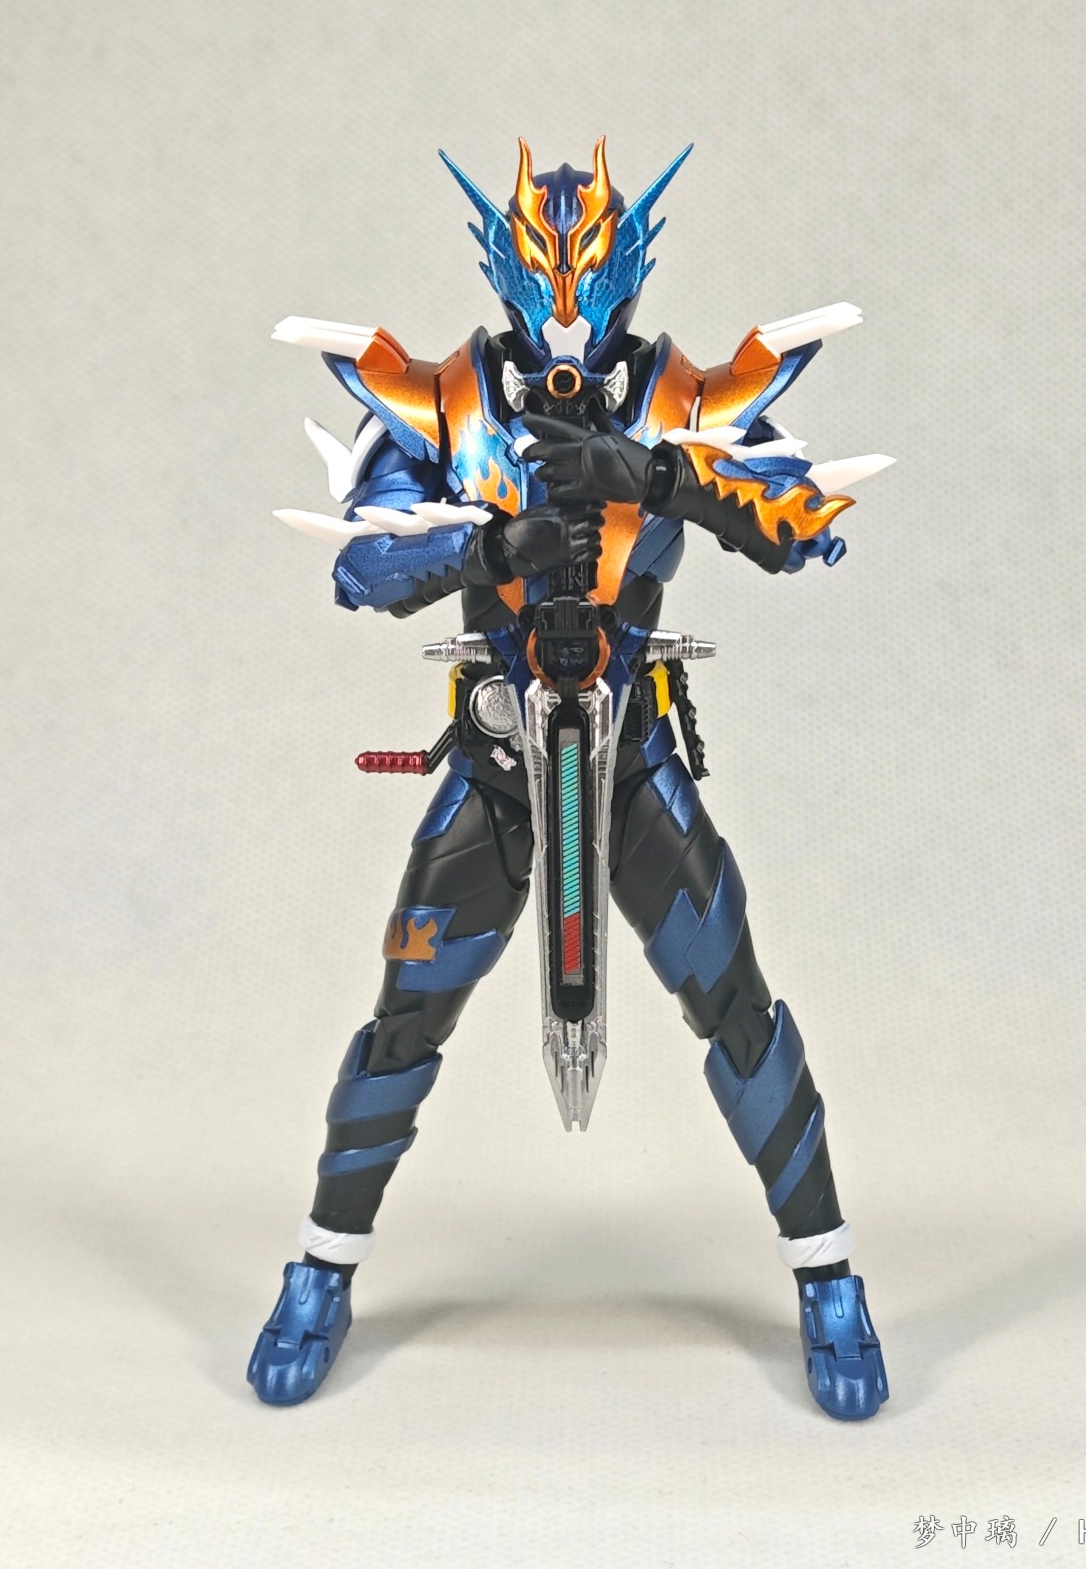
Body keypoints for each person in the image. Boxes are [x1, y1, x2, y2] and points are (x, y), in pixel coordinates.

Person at [249, 138, 892, 1419]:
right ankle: (320, 1269)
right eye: (542, 296)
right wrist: (488, 550)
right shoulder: (446, 401)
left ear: (626, 278)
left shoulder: (677, 395)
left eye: (587, 299)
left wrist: (661, 477)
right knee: (406, 1019)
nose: (562, 333)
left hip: (632, 751)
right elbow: (361, 569)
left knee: (738, 1007)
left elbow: (800, 527)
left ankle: (828, 1276)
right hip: (499, 759)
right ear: (501, 274)